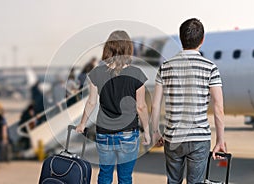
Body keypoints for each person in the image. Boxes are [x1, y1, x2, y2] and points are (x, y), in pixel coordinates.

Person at [151, 18, 226, 184]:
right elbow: (218, 107)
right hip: (199, 139)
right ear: (202, 39)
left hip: (173, 137)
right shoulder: (210, 67)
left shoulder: (165, 67)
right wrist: (220, 140)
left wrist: (155, 131)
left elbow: (156, 104)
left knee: (173, 181)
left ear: (180, 38)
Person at [76, 30, 151, 184]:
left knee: (104, 175)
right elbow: (141, 107)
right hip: (128, 135)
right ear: (128, 49)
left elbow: (91, 102)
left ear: (108, 49)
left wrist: (83, 123)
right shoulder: (137, 74)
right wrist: (148, 131)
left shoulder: (96, 73)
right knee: (125, 178)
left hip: (104, 134)